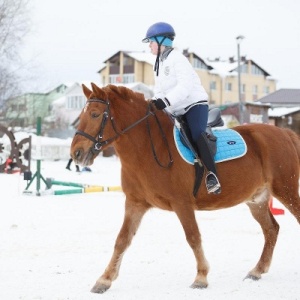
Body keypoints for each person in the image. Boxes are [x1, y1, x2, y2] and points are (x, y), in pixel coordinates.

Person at [142, 22, 221, 194]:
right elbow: (159, 90)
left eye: (151, 41)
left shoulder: (178, 59)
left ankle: (212, 175)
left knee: (196, 134)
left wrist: (166, 101)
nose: (149, 45)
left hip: (194, 104)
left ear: (162, 41)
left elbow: (185, 87)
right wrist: (153, 103)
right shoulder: (159, 64)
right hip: (175, 108)